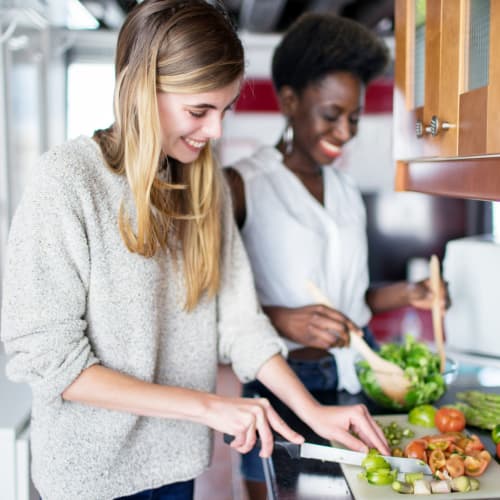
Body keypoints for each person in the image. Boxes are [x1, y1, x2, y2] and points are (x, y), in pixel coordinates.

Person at [0, 2, 389, 500]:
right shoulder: (69, 180)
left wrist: (313, 411)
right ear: (142, 90)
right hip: (90, 476)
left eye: (224, 111)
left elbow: (240, 322)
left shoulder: (205, 188)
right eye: (199, 111)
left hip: (176, 464)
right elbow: (52, 360)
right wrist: (208, 407)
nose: (215, 132)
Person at [224, 12, 448, 499]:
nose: (345, 132)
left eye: (354, 117)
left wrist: (411, 293)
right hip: (281, 385)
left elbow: (352, 297)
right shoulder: (242, 185)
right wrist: (282, 318)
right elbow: (209, 307)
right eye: (331, 114)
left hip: (353, 375)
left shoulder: (345, 189)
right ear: (289, 100)